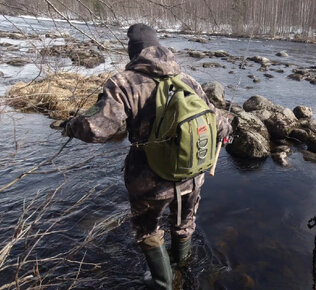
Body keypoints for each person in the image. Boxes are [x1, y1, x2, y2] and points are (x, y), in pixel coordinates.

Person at [62, 23, 232, 289]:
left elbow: (98, 130)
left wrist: (71, 125)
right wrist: (228, 128)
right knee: (185, 223)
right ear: (158, 48)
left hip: (148, 181)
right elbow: (217, 122)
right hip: (192, 174)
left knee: (148, 232)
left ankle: (165, 283)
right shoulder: (188, 80)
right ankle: (182, 269)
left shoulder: (123, 83)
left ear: (133, 52)